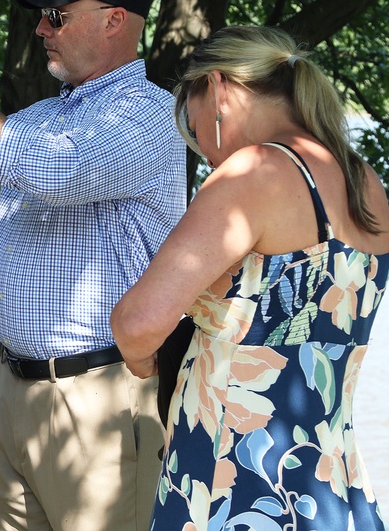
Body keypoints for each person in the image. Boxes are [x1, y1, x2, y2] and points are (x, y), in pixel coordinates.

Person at [0, 0, 187, 531]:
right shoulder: (46, 115)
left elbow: (56, 172)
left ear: (113, 21)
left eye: (56, 17)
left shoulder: (151, 115)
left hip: (101, 396)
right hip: (15, 390)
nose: (40, 29)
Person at [110, 26, 389, 530]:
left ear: (216, 88)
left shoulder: (253, 172)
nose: (199, 145)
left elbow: (138, 321)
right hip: (329, 479)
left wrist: (142, 360)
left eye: (191, 126)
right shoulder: (363, 179)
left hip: (233, 478)